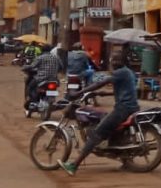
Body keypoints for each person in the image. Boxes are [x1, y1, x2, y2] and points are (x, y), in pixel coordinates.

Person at [59, 48, 139, 176]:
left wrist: (79, 93)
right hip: (131, 107)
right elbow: (124, 90)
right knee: (107, 122)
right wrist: (101, 93)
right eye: (114, 58)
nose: (114, 61)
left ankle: (74, 165)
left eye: (118, 59)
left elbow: (101, 82)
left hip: (123, 108)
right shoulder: (128, 72)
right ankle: (125, 160)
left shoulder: (120, 72)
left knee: (96, 134)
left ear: (123, 61)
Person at [25, 43, 63, 111]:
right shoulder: (56, 57)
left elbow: (32, 66)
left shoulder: (40, 57)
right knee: (54, 89)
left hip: (41, 78)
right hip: (54, 79)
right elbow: (61, 67)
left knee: (30, 87)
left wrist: (25, 67)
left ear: (42, 50)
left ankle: (34, 101)